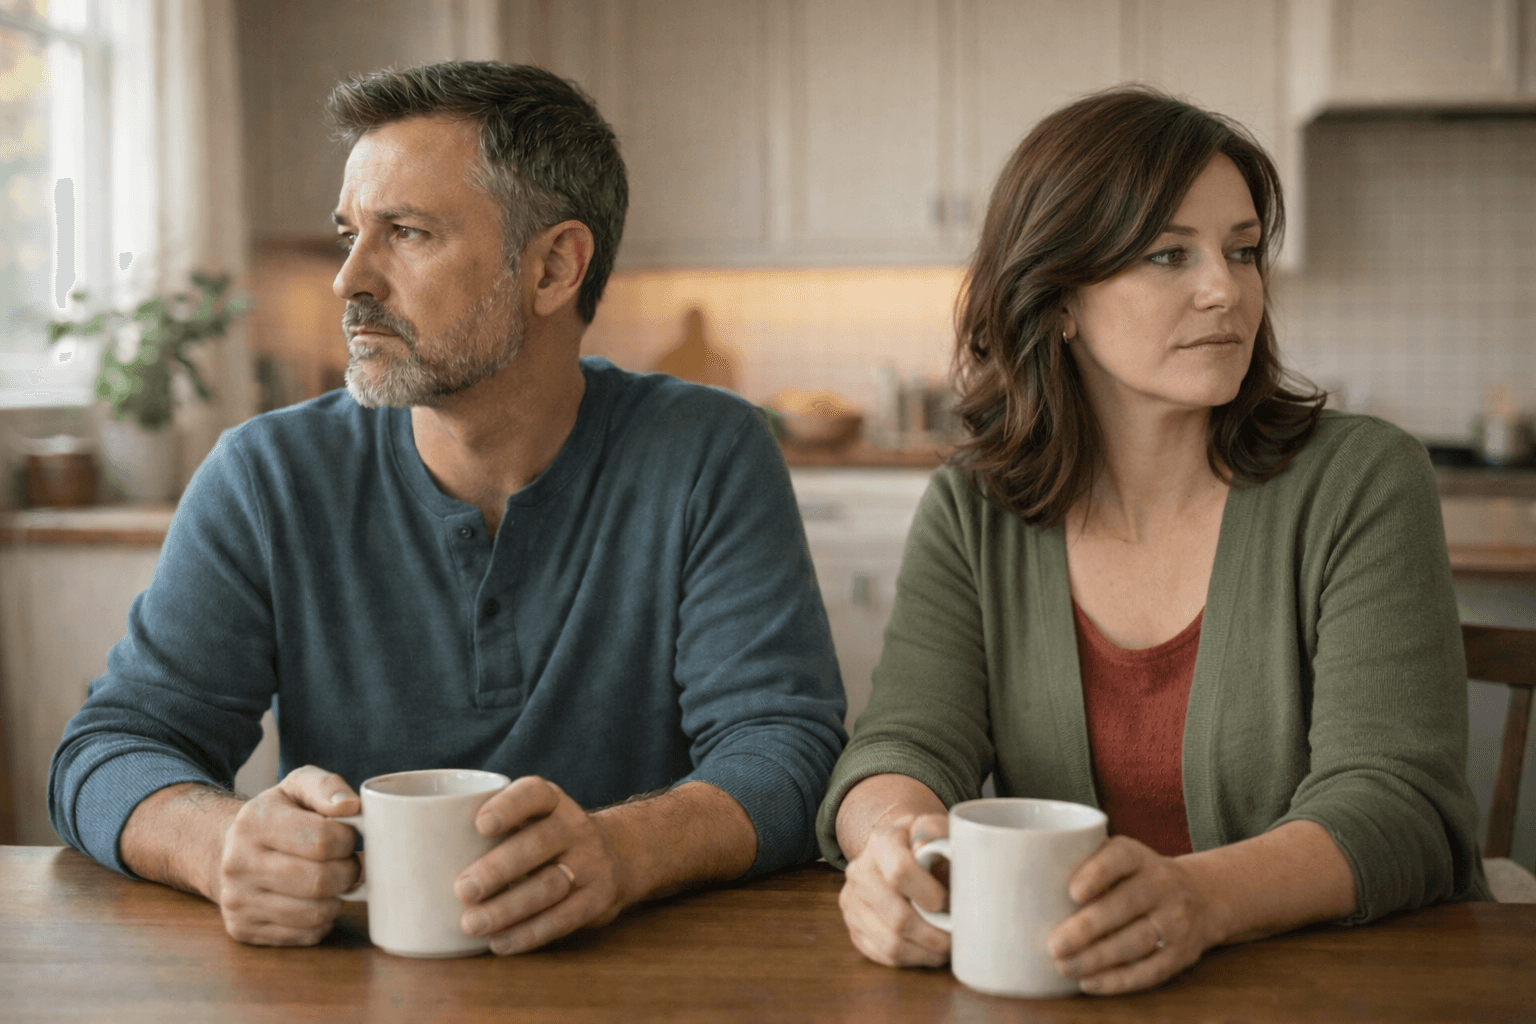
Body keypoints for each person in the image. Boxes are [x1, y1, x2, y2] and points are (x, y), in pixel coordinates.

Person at [50, 61, 846, 955]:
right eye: (350, 233)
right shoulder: (265, 474)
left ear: (553, 268)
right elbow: (107, 750)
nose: (350, 277)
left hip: (639, 979)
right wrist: (221, 842)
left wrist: (621, 852)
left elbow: (787, 754)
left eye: (408, 233)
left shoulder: (708, 450)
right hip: (350, 983)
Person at [817, 87, 1491, 995]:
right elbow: (901, 744)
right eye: (1169, 254)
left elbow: (1401, 804)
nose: (1227, 288)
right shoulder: (974, 509)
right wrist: (893, 846)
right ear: (1057, 299)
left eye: (1243, 250)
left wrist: (1199, 899)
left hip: (1329, 988)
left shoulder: (1362, 481)